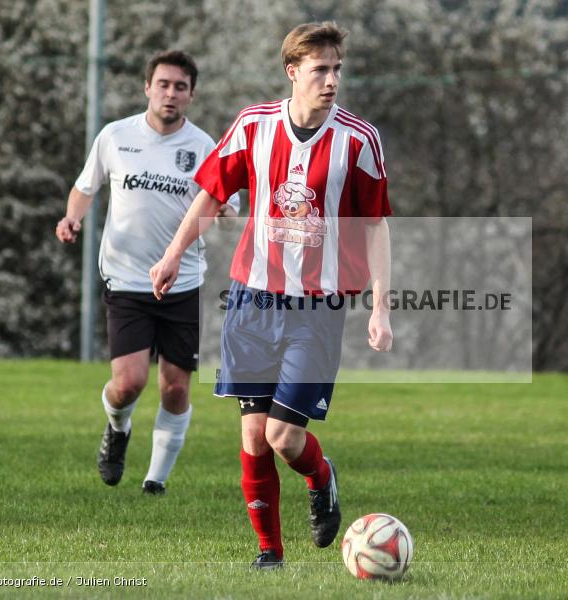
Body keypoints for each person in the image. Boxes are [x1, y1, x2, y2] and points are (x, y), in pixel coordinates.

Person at [149, 22, 392, 568]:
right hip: (251, 302)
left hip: (318, 307)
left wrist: (381, 305)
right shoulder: (253, 126)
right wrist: (171, 254)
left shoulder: (359, 139)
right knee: (254, 436)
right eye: (320, 70)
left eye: (336, 69)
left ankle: (322, 477)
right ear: (293, 72)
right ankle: (270, 552)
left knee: (284, 436)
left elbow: (376, 225)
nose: (331, 80)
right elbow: (213, 195)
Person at [56, 50, 238, 495]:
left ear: (191, 94)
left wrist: (228, 212)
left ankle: (155, 480)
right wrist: (72, 219)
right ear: (147, 88)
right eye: (163, 84)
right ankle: (117, 428)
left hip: (184, 284)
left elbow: (222, 203)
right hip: (127, 279)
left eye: (180, 86)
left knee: (175, 389)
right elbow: (85, 187)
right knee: (129, 383)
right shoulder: (116, 136)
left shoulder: (203, 147)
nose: (170, 93)